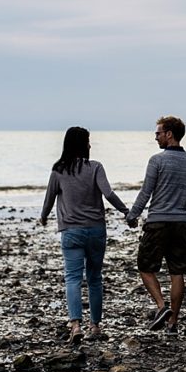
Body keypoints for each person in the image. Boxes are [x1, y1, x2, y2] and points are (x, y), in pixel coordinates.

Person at [41, 127, 130, 344]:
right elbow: (108, 193)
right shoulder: (95, 167)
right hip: (96, 230)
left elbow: (49, 197)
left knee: (72, 278)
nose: (90, 145)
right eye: (88, 141)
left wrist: (43, 216)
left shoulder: (58, 170)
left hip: (71, 231)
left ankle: (76, 325)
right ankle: (95, 326)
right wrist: (126, 211)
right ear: (82, 144)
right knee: (94, 279)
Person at [125, 116, 186, 335]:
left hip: (158, 222)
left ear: (169, 134)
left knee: (145, 267)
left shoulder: (157, 160)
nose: (156, 137)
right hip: (180, 224)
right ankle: (172, 324)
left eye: (158, 133)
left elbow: (146, 192)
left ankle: (161, 306)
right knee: (177, 272)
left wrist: (132, 215)